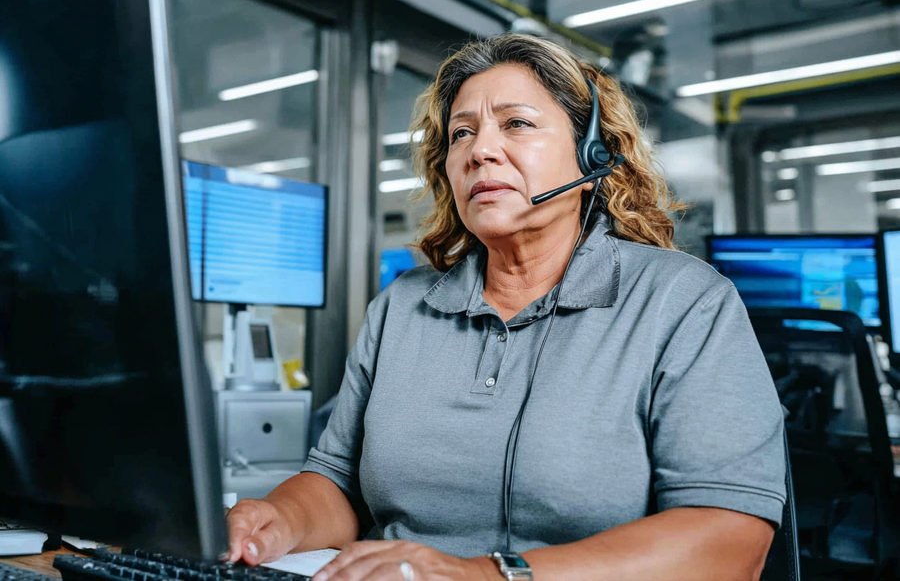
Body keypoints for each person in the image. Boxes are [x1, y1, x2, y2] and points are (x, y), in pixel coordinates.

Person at [226, 34, 786, 581]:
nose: (480, 151)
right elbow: (336, 482)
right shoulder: (402, 305)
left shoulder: (685, 302)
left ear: (593, 157)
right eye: (461, 134)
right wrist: (273, 521)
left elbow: (730, 543)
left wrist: (482, 575)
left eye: (516, 124)